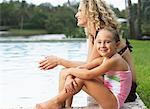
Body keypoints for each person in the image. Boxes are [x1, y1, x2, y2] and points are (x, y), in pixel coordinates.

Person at [38, 0, 137, 107]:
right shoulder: (95, 35)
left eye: (80, 10)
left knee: (75, 75)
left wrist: (60, 62)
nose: (76, 15)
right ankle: (63, 105)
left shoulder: (106, 35)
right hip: (109, 83)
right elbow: (88, 64)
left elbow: (87, 71)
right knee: (65, 72)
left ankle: (57, 103)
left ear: (90, 12)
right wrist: (69, 74)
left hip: (123, 92)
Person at [36, 27, 132, 109]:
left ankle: (56, 101)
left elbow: (88, 74)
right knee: (65, 71)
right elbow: (81, 68)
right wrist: (69, 76)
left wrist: (70, 71)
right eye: (99, 42)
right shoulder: (104, 59)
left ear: (117, 44)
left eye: (107, 42)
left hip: (113, 103)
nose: (102, 45)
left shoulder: (115, 60)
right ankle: (66, 105)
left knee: (83, 77)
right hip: (107, 94)